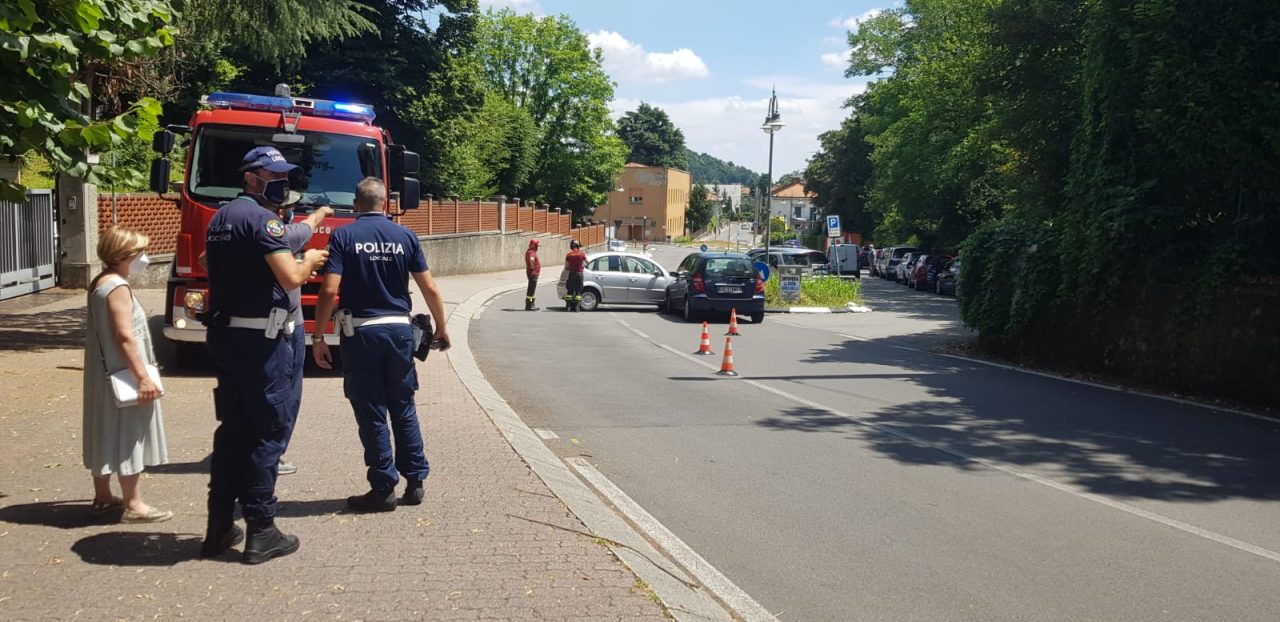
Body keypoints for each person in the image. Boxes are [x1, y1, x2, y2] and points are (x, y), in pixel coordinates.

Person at [201, 146, 328, 564]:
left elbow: (207, 261)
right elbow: (290, 276)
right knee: (268, 432)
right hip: (265, 343)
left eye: (284, 176)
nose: (282, 183)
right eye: (274, 176)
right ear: (251, 178)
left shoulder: (222, 218)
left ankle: (219, 527)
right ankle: (262, 529)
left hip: (229, 337)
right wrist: (308, 260)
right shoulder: (262, 219)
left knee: (232, 432)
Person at [312, 177, 450, 513]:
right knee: (403, 406)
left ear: (355, 205)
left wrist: (318, 336)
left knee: (372, 409)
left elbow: (329, 290)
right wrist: (442, 328)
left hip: (362, 333)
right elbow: (430, 288)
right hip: (400, 331)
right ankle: (415, 481)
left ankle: (383, 487)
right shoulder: (405, 236)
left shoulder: (344, 236)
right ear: (385, 203)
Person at [83, 227, 172, 524]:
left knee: (105, 429)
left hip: (105, 373)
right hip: (124, 372)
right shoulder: (118, 287)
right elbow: (125, 336)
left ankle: (103, 496)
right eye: (139, 252)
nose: (144, 258)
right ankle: (134, 504)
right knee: (129, 433)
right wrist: (143, 377)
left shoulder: (100, 282)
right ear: (124, 255)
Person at [273, 196, 334, 476]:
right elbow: (309, 225)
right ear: (281, 209)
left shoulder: (242, 226)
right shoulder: (279, 232)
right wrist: (323, 210)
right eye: (290, 207)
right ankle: (273, 454)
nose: (292, 212)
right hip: (285, 325)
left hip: (253, 326)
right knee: (286, 392)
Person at [563, 240, 588, 312]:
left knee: (570, 291)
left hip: (572, 274)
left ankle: (568, 307)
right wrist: (582, 266)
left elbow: (566, 266)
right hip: (579, 274)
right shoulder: (582, 254)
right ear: (578, 246)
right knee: (578, 291)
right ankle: (577, 307)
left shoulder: (569, 255)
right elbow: (587, 262)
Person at [524, 238, 541, 311]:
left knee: (532, 289)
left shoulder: (530, 251)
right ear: (534, 245)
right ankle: (529, 305)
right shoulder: (531, 252)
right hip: (533, 273)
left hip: (532, 273)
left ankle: (531, 304)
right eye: (537, 246)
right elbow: (531, 260)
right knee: (531, 289)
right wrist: (532, 267)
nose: (537, 247)